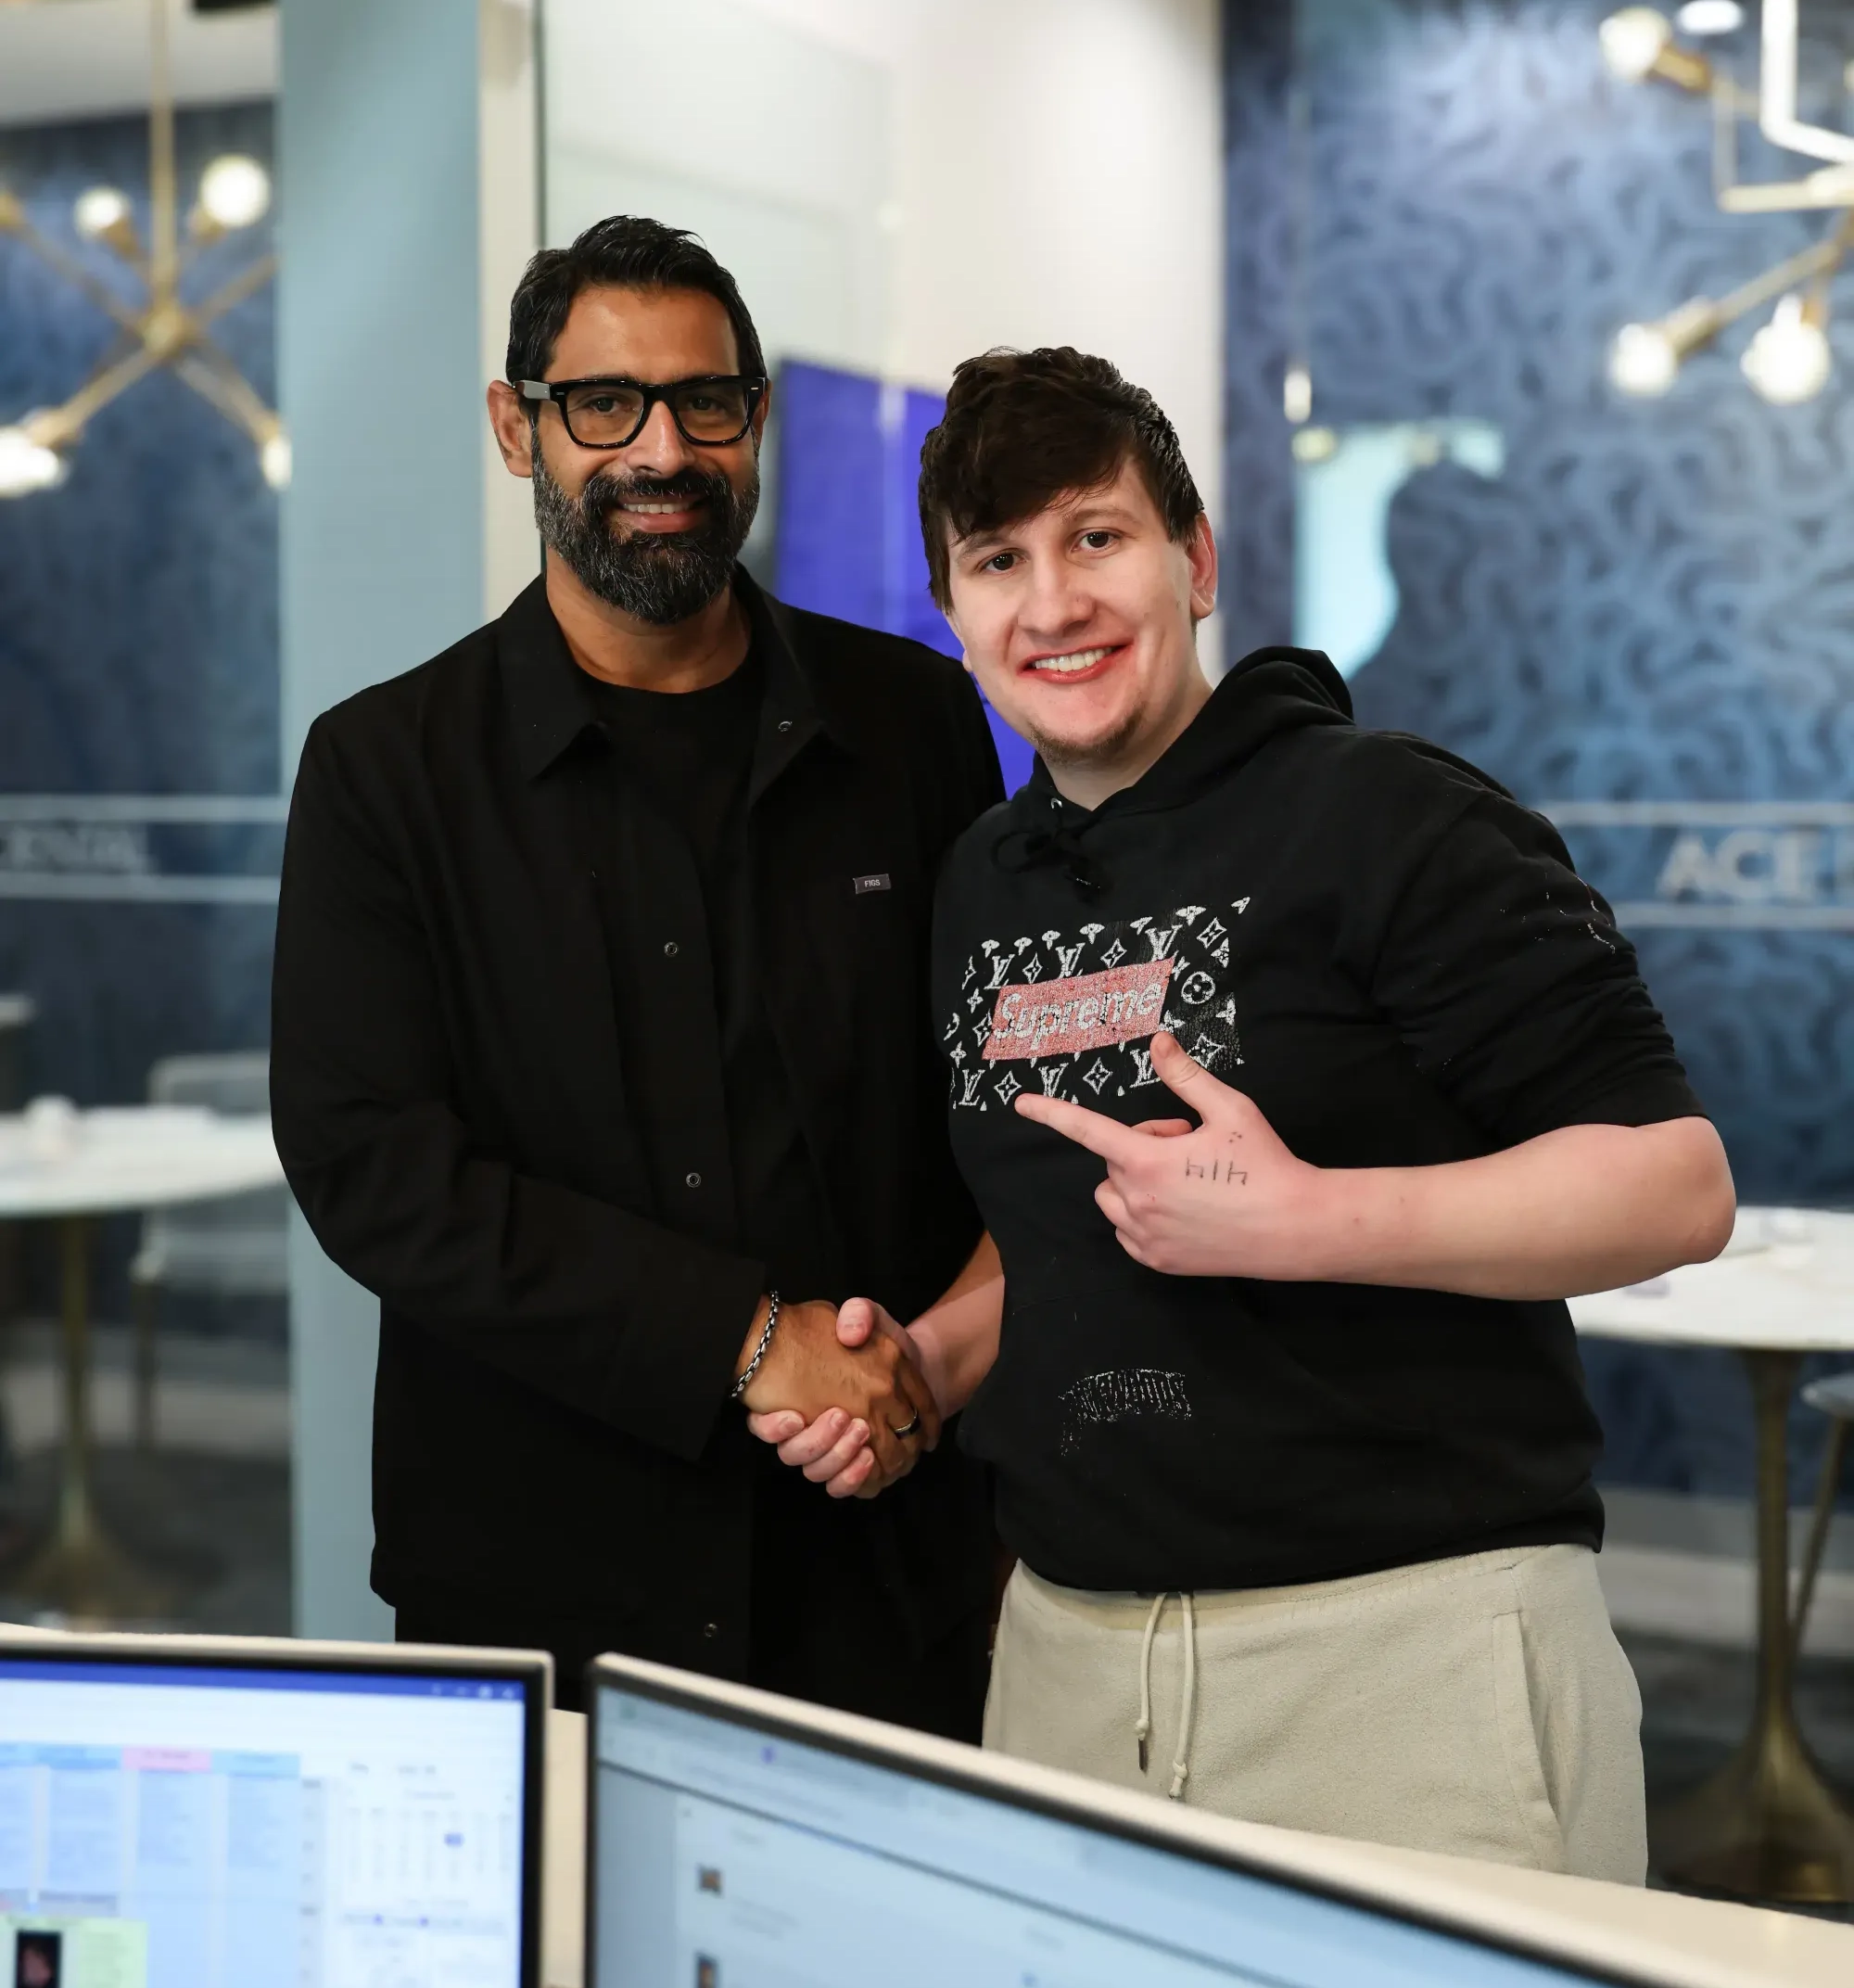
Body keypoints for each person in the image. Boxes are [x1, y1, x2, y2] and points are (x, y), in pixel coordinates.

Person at [753, 346, 1736, 1879]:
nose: (1053, 602)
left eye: (1096, 537)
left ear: (1195, 562)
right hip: (1072, 1667)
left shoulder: (1388, 814)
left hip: (1409, 1659)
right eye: (998, 562)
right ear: (953, 614)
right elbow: (1069, 1231)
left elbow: (1674, 1187)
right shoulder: (980, 887)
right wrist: (930, 1367)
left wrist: (1315, 1217)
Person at [270, 216, 1003, 1727]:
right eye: (606, 405)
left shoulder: (916, 721)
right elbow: (372, 1168)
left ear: (756, 421)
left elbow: (994, 1095)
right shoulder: (385, 770)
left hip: (890, 1557)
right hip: (542, 1583)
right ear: (517, 428)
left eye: (704, 402)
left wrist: (929, 1360)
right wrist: (747, 1342)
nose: (662, 450)